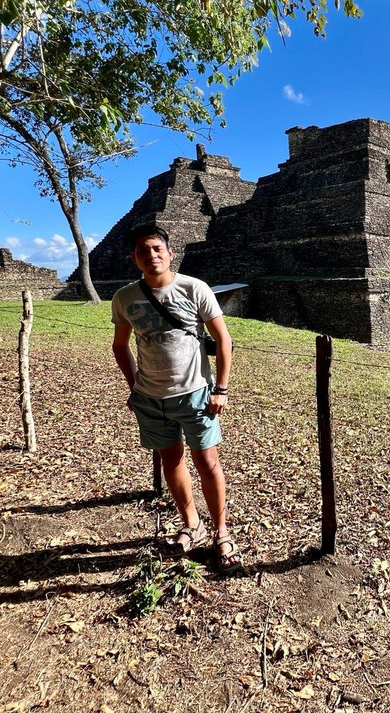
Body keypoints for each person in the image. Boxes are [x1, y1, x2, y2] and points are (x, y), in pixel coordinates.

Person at [111, 222, 242, 573]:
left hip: (196, 393)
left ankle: (221, 530)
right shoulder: (124, 297)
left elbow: (224, 341)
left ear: (170, 253)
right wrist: (134, 386)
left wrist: (221, 389)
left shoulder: (194, 288)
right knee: (171, 460)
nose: (151, 255)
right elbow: (120, 346)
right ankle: (191, 523)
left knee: (208, 463)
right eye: (143, 251)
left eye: (157, 249)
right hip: (150, 397)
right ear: (134, 258)